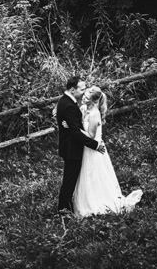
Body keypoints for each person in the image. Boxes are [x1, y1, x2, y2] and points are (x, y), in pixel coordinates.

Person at [73, 86, 143, 216]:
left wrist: (74, 129)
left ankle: (97, 202)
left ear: (94, 101)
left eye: (87, 98)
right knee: (85, 175)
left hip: (94, 150)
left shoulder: (95, 114)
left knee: (94, 176)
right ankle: (85, 199)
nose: (83, 98)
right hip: (86, 148)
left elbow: (91, 136)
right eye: (84, 96)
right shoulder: (84, 109)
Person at [55, 76, 104, 214]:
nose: (84, 91)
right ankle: (63, 208)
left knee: (71, 179)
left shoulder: (65, 101)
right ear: (72, 89)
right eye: (82, 89)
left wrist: (69, 126)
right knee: (69, 180)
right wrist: (95, 145)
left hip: (70, 147)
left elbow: (73, 126)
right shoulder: (69, 105)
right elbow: (76, 133)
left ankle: (67, 205)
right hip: (72, 149)